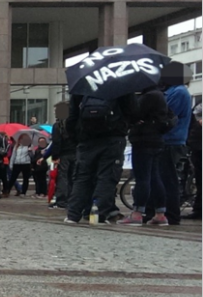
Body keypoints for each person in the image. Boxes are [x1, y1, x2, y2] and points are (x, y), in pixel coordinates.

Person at [64, 92, 139, 224]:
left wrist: (77, 138)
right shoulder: (122, 84)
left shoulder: (83, 84)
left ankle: (72, 215)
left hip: (86, 140)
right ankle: (97, 214)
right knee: (106, 177)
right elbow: (133, 112)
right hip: (113, 138)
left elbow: (71, 117)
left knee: (82, 177)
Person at [119, 86, 171, 226]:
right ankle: (160, 214)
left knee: (142, 178)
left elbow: (134, 114)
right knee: (155, 177)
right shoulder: (160, 95)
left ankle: (137, 213)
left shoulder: (149, 96)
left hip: (143, 140)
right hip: (157, 140)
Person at [156, 62, 193, 226]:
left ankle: (171, 214)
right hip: (171, 140)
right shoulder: (174, 90)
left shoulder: (179, 91)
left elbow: (167, 113)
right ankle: (166, 212)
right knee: (165, 178)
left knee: (169, 179)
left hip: (172, 140)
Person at [45, 102, 75, 209]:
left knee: (63, 177)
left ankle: (62, 200)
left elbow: (56, 142)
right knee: (73, 177)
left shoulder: (58, 125)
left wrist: (55, 157)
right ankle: (72, 199)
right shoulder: (74, 123)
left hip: (64, 154)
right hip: (76, 153)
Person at [184, 104, 201, 220]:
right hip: (196, 146)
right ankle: (198, 209)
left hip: (199, 146)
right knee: (199, 180)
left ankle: (199, 209)